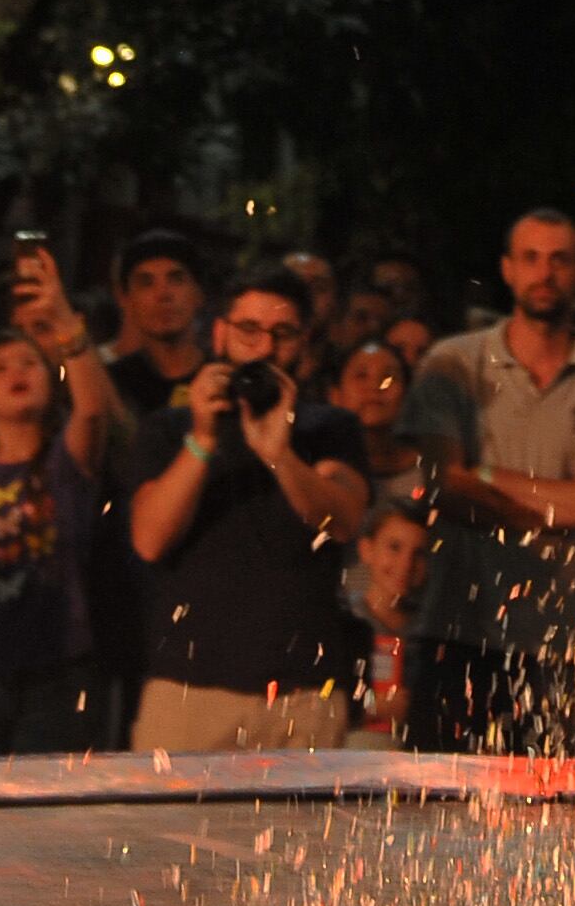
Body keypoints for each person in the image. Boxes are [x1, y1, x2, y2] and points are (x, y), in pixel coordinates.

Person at [405, 211, 575, 754]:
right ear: (507, 270)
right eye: (531, 257)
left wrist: (482, 475)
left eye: (559, 259)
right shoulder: (455, 363)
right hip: (458, 632)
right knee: (434, 819)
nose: (545, 272)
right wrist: (558, 504)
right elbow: (442, 485)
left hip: (566, 645)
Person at [127, 268, 372, 749]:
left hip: (304, 695)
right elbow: (149, 538)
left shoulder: (330, 428)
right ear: (220, 333)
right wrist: (201, 439)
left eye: (282, 334)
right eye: (249, 330)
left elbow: (341, 522)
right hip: (188, 693)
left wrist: (279, 452)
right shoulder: (168, 429)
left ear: (304, 343)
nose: (264, 348)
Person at [0, 272, 125, 758]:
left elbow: (93, 409)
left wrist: (64, 324)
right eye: (0, 367)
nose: (18, 371)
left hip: (57, 669)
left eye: (30, 363)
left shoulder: (65, 461)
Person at [347, 503, 431, 750]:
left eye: (418, 554)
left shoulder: (428, 632)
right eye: (394, 548)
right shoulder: (344, 621)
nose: (406, 565)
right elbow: (319, 699)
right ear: (366, 550)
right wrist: (373, 706)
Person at [104, 230, 210, 417]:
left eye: (176, 279)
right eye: (146, 283)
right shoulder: (110, 385)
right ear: (125, 299)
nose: (162, 294)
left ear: (199, 292)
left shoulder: (222, 378)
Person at [335, 338, 436, 524]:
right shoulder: (319, 468)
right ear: (335, 395)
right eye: (361, 375)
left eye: (389, 377)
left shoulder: (432, 474)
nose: (376, 386)